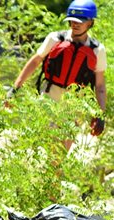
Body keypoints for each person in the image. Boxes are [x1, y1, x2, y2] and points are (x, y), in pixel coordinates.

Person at [11, 0, 107, 137]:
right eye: (72, 20)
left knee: (60, 152)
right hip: (49, 96)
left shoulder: (97, 49)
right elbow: (35, 61)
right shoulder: (55, 38)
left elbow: (100, 86)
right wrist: (15, 88)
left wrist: (100, 114)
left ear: (90, 22)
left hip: (75, 103)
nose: (75, 24)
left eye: (80, 21)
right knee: (41, 140)